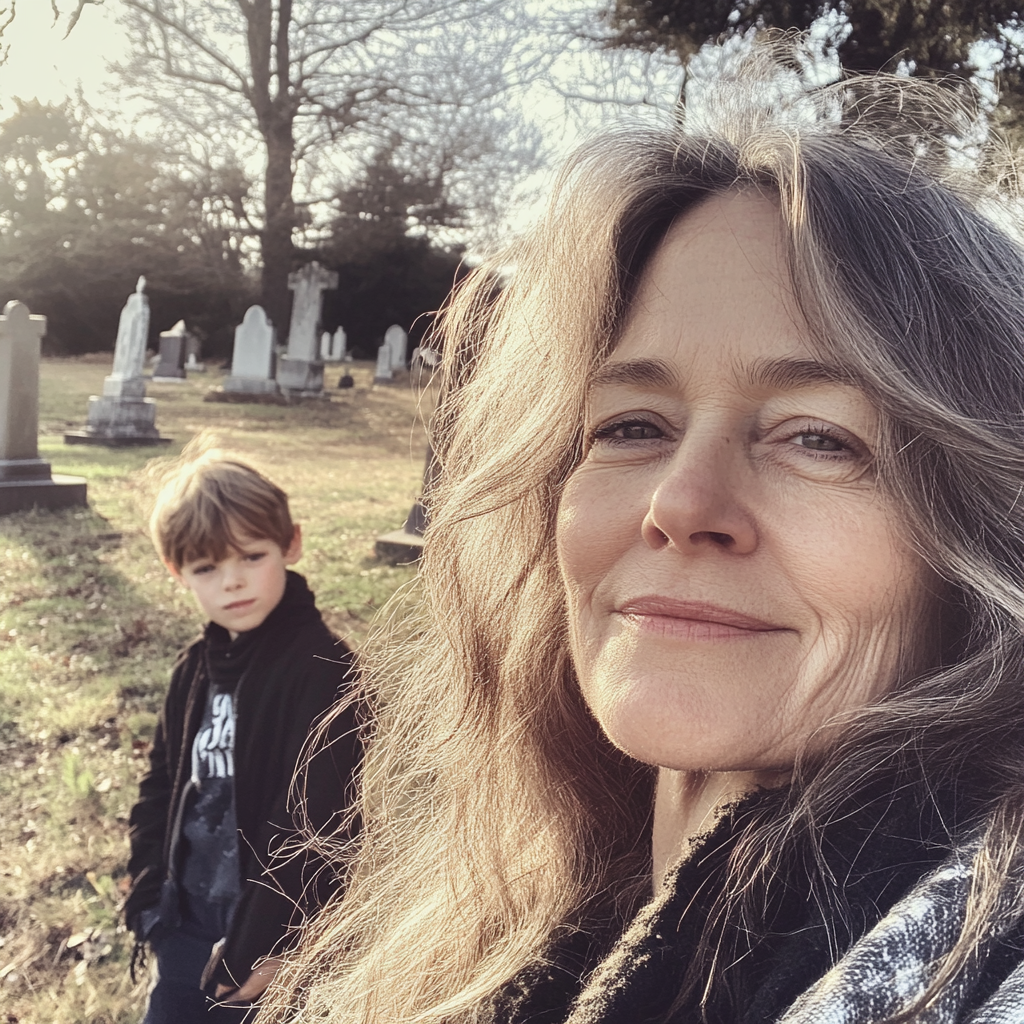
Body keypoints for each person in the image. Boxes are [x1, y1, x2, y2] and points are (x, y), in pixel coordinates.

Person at [258, 45, 1024, 1024]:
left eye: (818, 438)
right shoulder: (516, 939)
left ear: (981, 535)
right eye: (630, 426)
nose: (678, 501)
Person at [124, 448, 361, 1023]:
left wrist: (274, 944)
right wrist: (147, 894)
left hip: (270, 945)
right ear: (176, 573)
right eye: (206, 569)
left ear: (291, 545)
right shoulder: (195, 668)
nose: (232, 582)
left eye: (252, 557)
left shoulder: (323, 670)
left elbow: (321, 823)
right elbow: (161, 783)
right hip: (183, 923)